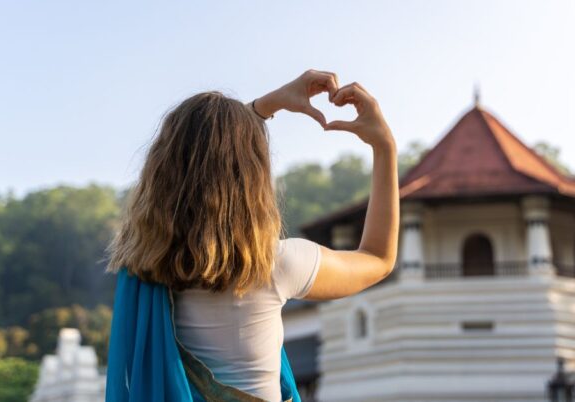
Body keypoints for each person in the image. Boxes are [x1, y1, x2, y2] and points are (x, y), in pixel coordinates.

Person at [105, 70, 399, 401]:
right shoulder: (278, 265)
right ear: (253, 175)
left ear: (160, 173)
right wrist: (384, 147)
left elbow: (203, 149)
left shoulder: (144, 266)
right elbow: (378, 257)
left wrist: (263, 106)